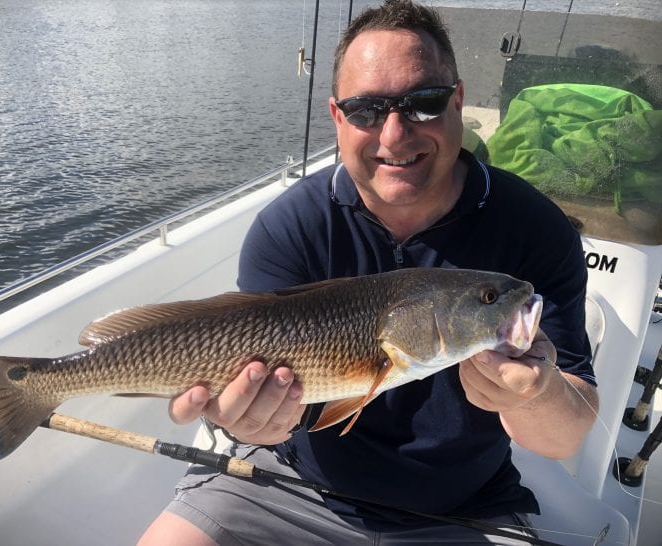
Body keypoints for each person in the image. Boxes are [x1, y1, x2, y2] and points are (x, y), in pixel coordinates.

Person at [139, 1, 599, 544]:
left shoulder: (534, 228)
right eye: (366, 111)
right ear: (337, 119)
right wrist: (252, 422)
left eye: (422, 103)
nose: (395, 134)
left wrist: (536, 394)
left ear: (457, 101)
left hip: (466, 509)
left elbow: (565, 438)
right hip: (286, 485)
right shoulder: (289, 226)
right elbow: (260, 400)